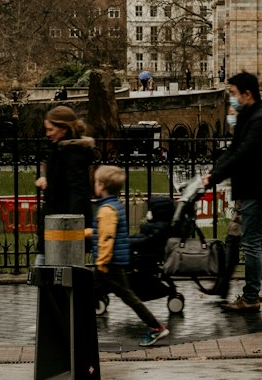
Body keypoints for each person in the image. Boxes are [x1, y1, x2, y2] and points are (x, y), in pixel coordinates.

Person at [203, 71, 262, 310]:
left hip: (260, 189)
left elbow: (243, 154)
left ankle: (251, 297)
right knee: (258, 240)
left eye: (233, 94)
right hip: (253, 188)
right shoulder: (247, 116)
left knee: (251, 242)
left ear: (247, 94)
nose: (231, 99)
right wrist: (212, 174)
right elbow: (232, 151)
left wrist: (216, 176)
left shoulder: (260, 120)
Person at [90, 166, 169, 346]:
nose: (94, 185)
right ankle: (156, 327)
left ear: (101, 186)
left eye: (96, 182)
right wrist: (86, 232)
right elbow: (104, 231)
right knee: (125, 296)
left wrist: (101, 262)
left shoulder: (106, 210)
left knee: (126, 297)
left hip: (108, 264)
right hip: (114, 262)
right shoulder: (114, 205)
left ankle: (156, 327)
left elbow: (107, 238)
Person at [35, 105, 96, 265]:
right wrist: (47, 181)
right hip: (56, 223)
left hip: (62, 226)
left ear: (64, 128)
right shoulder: (62, 149)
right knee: (48, 272)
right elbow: (64, 182)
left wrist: (72, 227)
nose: (47, 134)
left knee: (47, 270)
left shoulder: (72, 153)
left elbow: (78, 191)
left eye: (51, 129)